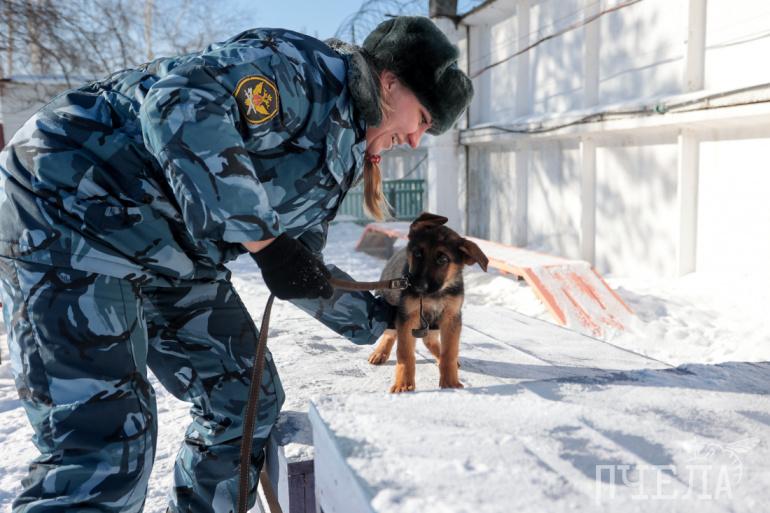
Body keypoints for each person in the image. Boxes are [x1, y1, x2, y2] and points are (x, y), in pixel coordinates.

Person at [0, 15, 473, 513]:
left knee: (245, 401)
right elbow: (178, 103)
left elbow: (302, 268)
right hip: (69, 208)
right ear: (390, 82)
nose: (416, 140)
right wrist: (266, 243)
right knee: (105, 442)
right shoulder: (300, 71)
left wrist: (385, 318)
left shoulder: (344, 153)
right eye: (423, 119)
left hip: (171, 250)